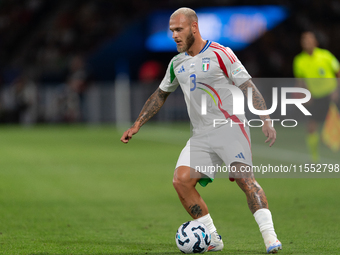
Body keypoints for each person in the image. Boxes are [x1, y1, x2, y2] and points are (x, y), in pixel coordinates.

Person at [121, 7, 282, 253]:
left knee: (244, 180)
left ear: (194, 27)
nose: (174, 35)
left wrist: (265, 117)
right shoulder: (177, 63)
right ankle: (213, 238)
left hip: (230, 128)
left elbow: (247, 85)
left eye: (179, 29)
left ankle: (270, 238)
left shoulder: (221, 53)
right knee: (181, 181)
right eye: (171, 30)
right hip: (201, 135)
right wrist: (137, 124)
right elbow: (160, 94)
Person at [293, 31, 340, 162]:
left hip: (331, 95)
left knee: (335, 123)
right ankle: (314, 157)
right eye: (304, 40)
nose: (306, 42)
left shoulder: (326, 56)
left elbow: (338, 72)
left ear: (315, 42)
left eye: (309, 39)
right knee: (311, 125)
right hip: (315, 97)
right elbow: (300, 81)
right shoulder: (299, 61)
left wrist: (337, 90)